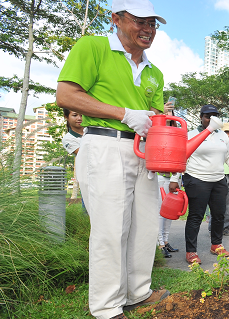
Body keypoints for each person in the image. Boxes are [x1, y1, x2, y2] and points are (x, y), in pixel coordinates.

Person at [56, 0, 172, 317]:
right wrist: (124, 113)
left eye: (153, 24)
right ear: (116, 19)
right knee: (111, 229)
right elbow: (66, 95)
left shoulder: (154, 72)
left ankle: (137, 292)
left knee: (145, 227)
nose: (148, 30)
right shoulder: (92, 47)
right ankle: (107, 306)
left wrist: (165, 134)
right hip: (106, 145)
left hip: (143, 151)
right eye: (140, 21)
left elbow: (158, 116)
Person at [169, 105, 229, 264]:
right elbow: (181, 156)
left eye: (215, 116)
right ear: (201, 117)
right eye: (208, 116)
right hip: (196, 179)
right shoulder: (191, 134)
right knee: (196, 216)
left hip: (218, 180)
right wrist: (175, 179)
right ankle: (191, 252)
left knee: (219, 214)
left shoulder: (222, 135)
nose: (211, 119)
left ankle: (216, 244)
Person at [157, 99, 179, 258]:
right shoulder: (155, 131)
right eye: (164, 110)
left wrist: (176, 178)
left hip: (173, 178)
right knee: (160, 212)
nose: (167, 113)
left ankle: (166, 240)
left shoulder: (177, 133)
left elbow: (181, 157)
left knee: (169, 213)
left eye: (170, 110)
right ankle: (160, 244)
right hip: (158, 177)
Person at [62, 108, 83, 200]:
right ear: (66, 117)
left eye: (82, 115)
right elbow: (84, 153)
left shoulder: (92, 132)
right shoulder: (68, 139)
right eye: (75, 115)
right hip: (88, 177)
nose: (79, 118)